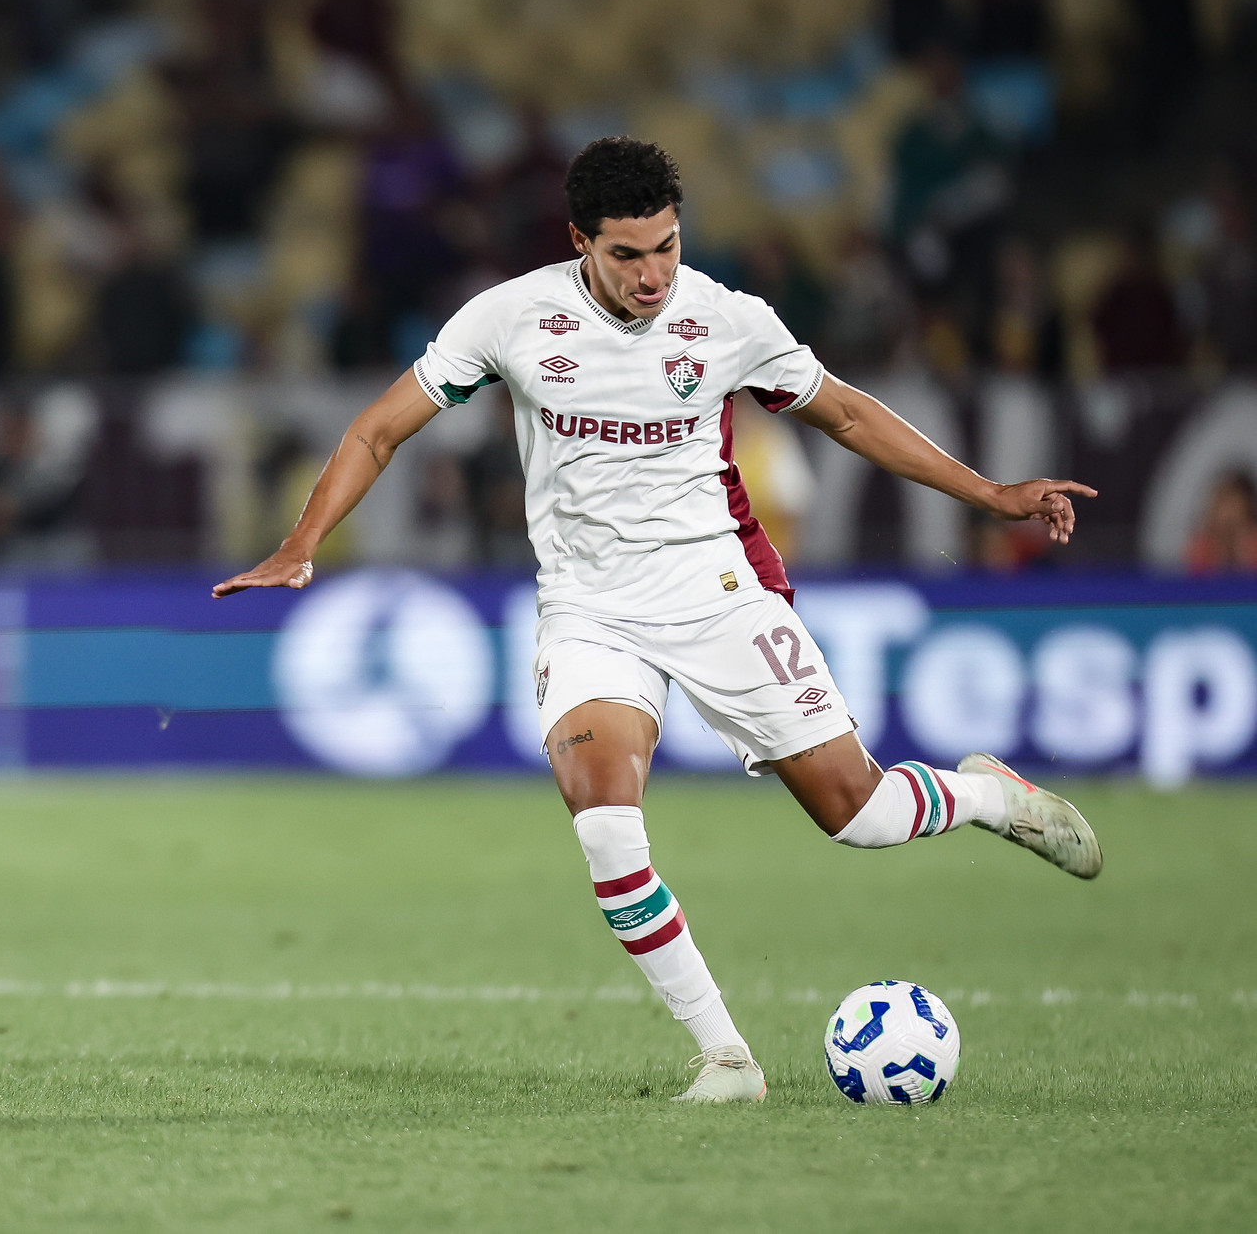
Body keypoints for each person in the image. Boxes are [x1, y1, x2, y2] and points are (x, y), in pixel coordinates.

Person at [214, 138, 1103, 1104]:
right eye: (626, 254)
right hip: (589, 609)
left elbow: (844, 415)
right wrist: (301, 542)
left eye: (666, 248)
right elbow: (378, 428)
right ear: (578, 243)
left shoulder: (726, 319)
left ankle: (989, 797)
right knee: (604, 824)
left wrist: (991, 494)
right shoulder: (512, 317)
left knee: (863, 816)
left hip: (716, 591)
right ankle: (726, 1059)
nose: (652, 275)